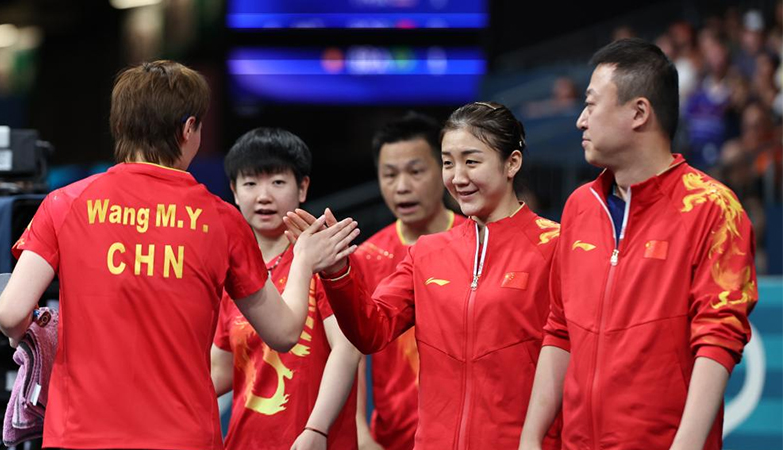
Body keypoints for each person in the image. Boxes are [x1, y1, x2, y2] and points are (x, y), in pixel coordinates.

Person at [0, 60, 357, 450]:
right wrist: (303, 260)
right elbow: (284, 334)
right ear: (188, 129)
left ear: (120, 126)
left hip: (78, 436)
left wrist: (34, 342)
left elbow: (10, 313)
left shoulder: (65, 203)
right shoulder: (221, 220)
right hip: (183, 439)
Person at [519, 39, 757, 450]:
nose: (580, 120)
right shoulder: (579, 206)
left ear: (639, 112)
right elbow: (560, 331)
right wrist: (530, 437)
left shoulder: (714, 208)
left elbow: (719, 338)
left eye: (591, 104)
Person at [287, 101, 562, 449]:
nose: (457, 177)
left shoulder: (554, 244)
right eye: (448, 162)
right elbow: (371, 331)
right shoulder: (428, 252)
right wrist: (337, 271)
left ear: (512, 163)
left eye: (471, 161)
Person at [211, 127, 361, 450]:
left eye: (277, 182)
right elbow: (221, 368)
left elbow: (347, 349)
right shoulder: (231, 273)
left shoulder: (326, 258)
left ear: (302, 187)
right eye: (250, 183)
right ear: (234, 191)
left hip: (312, 442)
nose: (263, 195)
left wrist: (316, 430)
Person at [354, 112, 464, 450]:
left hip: (465, 434)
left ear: (444, 170)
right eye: (390, 174)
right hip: (391, 440)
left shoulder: (476, 241)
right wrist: (360, 430)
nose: (402, 186)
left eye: (416, 172)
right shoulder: (366, 257)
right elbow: (352, 352)